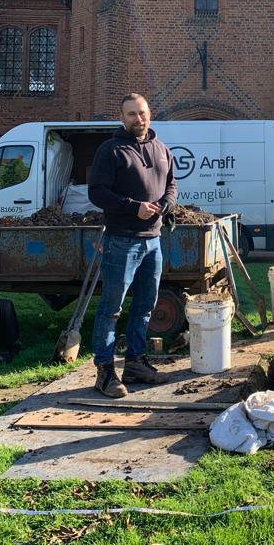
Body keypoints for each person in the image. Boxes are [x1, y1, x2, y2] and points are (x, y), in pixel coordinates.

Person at [88, 93, 178, 398]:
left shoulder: (162, 148)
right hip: (122, 241)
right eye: (131, 114)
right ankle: (105, 372)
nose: (138, 119)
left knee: (145, 306)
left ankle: (136, 363)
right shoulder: (110, 150)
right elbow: (97, 193)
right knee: (111, 309)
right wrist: (131, 206)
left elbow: (172, 185)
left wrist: (165, 205)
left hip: (154, 241)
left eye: (142, 113)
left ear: (149, 113)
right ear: (122, 117)